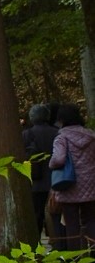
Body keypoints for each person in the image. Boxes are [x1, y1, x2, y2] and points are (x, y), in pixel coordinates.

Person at [48, 105, 95, 251]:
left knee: (71, 222)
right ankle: (93, 254)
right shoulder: (91, 136)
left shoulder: (62, 138)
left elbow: (59, 159)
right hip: (91, 184)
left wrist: (50, 163)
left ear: (61, 120)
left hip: (68, 184)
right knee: (92, 221)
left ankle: (75, 256)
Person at [23, 102, 59, 246]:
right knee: (55, 213)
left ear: (32, 117)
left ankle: (35, 244)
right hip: (55, 178)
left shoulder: (26, 134)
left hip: (35, 180)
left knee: (36, 214)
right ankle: (58, 242)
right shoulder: (57, 132)